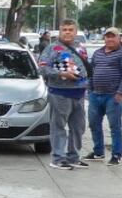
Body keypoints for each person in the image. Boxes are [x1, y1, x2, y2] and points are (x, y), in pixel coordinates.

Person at [38, 18, 90, 170]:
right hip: (59, 93)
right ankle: (58, 158)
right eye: (64, 30)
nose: (67, 32)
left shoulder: (80, 47)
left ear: (75, 31)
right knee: (58, 126)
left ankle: (74, 157)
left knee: (78, 127)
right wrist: (62, 74)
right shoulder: (52, 48)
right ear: (60, 32)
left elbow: (85, 68)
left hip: (79, 94)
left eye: (70, 30)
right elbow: (42, 68)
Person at [86, 27, 122, 164]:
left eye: (113, 36)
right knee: (94, 124)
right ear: (104, 38)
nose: (110, 39)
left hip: (113, 96)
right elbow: (91, 71)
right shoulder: (97, 53)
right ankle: (98, 152)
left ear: (119, 39)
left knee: (115, 126)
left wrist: (120, 93)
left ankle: (116, 155)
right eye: (107, 36)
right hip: (95, 94)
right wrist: (90, 89)